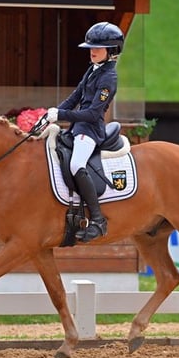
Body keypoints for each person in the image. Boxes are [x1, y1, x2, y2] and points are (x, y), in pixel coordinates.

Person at [46, 21, 124, 242]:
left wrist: (61, 116)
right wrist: (52, 112)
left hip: (91, 130)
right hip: (77, 128)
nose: (92, 52)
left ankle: (98, 220)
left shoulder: (109, 78)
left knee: (76, 164)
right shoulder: (93, 69)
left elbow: (91, 114)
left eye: (97, 48)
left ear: (111, 51)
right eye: (91, 47)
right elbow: (75, 97)